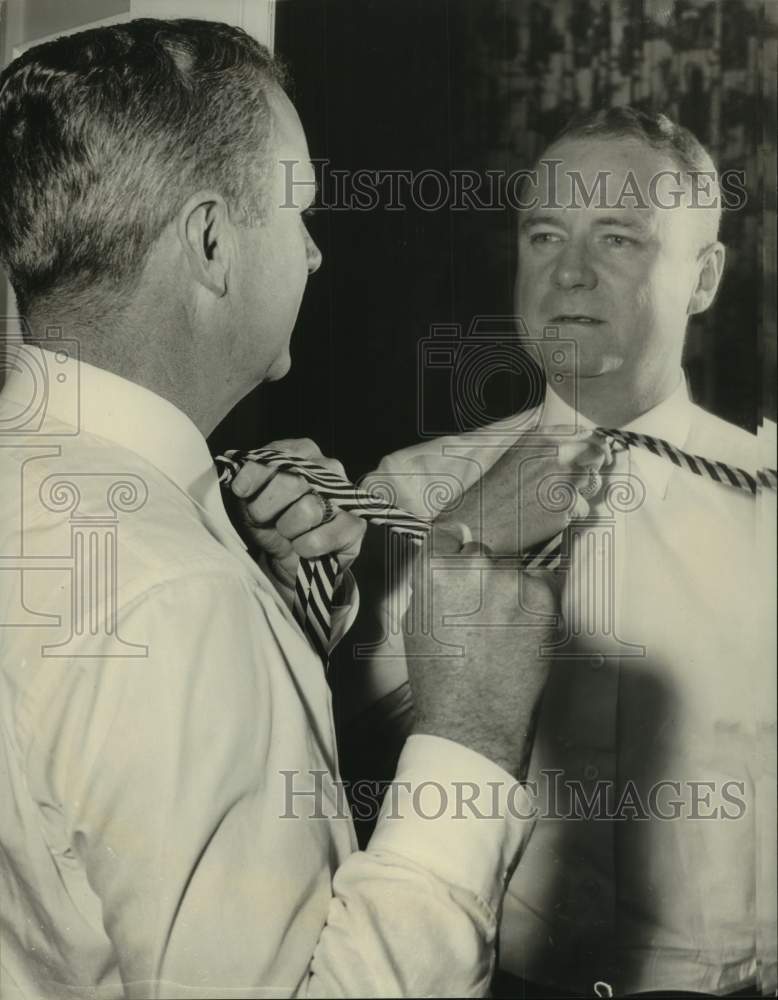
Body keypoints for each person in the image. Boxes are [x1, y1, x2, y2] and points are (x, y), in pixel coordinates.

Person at [0, 19, 557, 998]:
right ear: (212, 242)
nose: (312, 256)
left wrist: (261, 587)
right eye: (297, 214)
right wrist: (469, 731)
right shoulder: (173, 597)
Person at [342, 108, 776, 997]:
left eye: (618, 239)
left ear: (704, 277)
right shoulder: (405, 497)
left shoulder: (767, 499)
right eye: (545, 235)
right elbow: (331, 758)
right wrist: (459, 540)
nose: (568, 273)